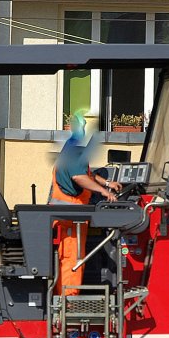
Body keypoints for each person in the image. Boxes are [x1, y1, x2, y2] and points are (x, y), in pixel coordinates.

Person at [49, 112, 121, 295]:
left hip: (71, 213)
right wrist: (105, 192)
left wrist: (106, 183)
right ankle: (68, 302)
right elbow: (78, 177)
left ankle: (68, 298)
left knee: (73, 257)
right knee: (73, 259)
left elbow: (86, 173)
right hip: (71, 215)